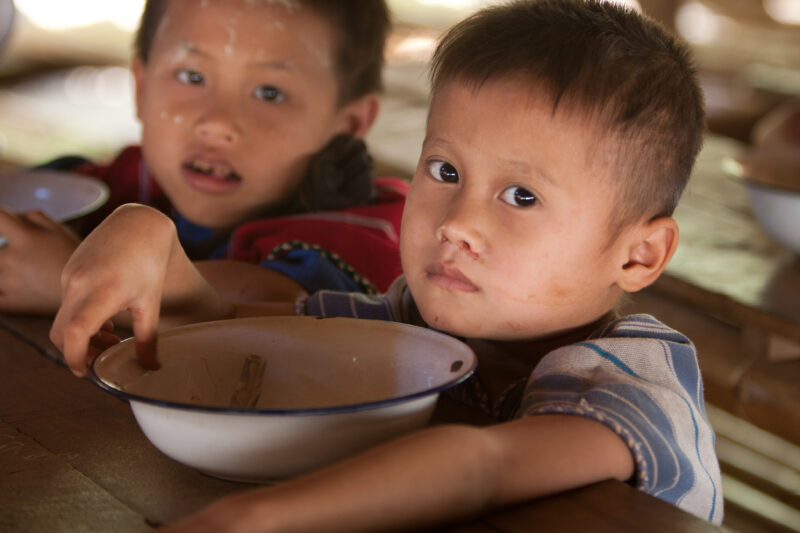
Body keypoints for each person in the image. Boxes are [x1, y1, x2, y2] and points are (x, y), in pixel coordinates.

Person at [50, 0, 723, 530]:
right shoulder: (410, 319)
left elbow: (480, 468)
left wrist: (252, 518)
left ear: (639, 255)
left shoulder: (633, 384)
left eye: (522, 196)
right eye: (446, 169)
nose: (457, 221)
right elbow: (235, 328)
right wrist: (148, 234)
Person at [0, 0, 405, 318]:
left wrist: (64, 284)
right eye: (192, 77)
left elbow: (266, 306)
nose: (217, 124)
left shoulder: (364, 230)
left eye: (270, 93)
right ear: (141, 90)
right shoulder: (140, 180)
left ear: (348, 125)